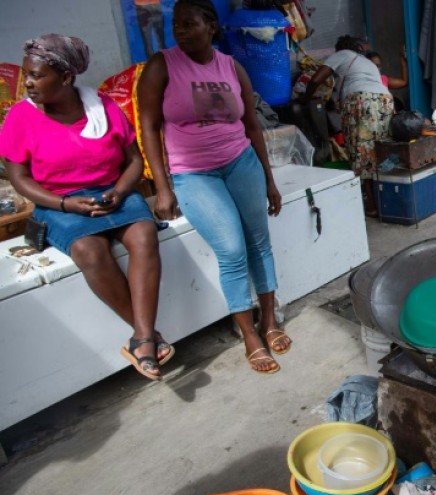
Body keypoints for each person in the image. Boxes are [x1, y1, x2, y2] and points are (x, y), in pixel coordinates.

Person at [0, 34, 170, 381]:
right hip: (58, 202)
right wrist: (65, 203)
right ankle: (147, 338)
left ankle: (141, 339)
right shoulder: (21, 117)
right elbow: (18, 177)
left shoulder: (103, 107)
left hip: (112, 192)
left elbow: (133, 160)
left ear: (65, 78)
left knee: (143, 235)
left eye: (37, 75)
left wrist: (120, 192)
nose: (28, 83)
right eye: (27, 74)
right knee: (90, 251)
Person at [138, 0, 291, 375]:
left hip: (241, 163)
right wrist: (162, 187)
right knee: (232, 249)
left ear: (211, 26)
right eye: (177, 25)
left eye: (190, 24)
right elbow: (149, 126)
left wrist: (269, 180)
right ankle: (249, 336)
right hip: (194, 174)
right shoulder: (161, 66)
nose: (181, 31)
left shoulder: (231, 66)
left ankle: (269, 321)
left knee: (259, 241)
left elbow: (252, 125)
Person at [304, 35, 393, 215]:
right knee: (380, 150)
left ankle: (372, 207)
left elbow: (316, 79)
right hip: (384, 101)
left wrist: (305, 99)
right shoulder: (366, 63)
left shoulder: (343, 54)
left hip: (362, 102)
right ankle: (388, 200)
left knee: (361, 153)